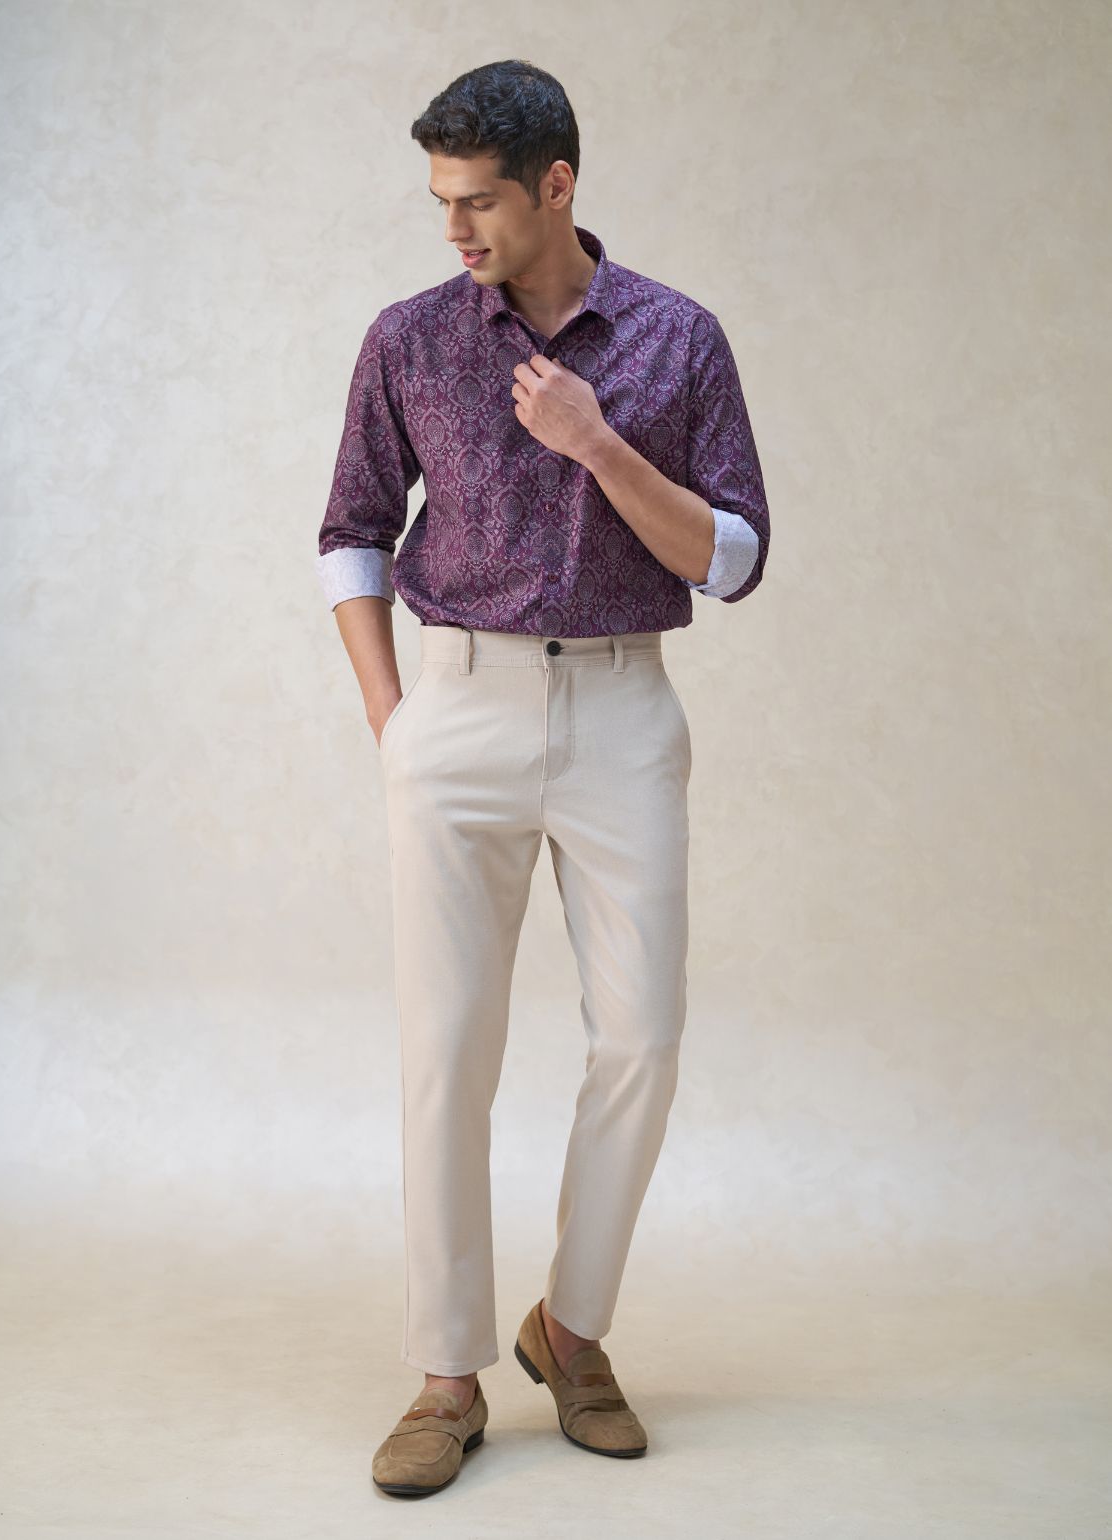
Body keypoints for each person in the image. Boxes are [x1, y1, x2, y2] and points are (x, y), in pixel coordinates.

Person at [315, 58, 770, 1497]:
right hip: (456, 709)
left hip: (624, 709)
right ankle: (446, 1374)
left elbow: (736, 558)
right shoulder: (409, 339)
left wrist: (597, 442)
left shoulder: (678, 340)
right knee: (448, 1045)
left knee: (642, 1038)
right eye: (440, 201)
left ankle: (569, 1332)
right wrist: (392, 716)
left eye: (480, 202)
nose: (454, 229)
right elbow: (351, 531)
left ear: (557, 185)